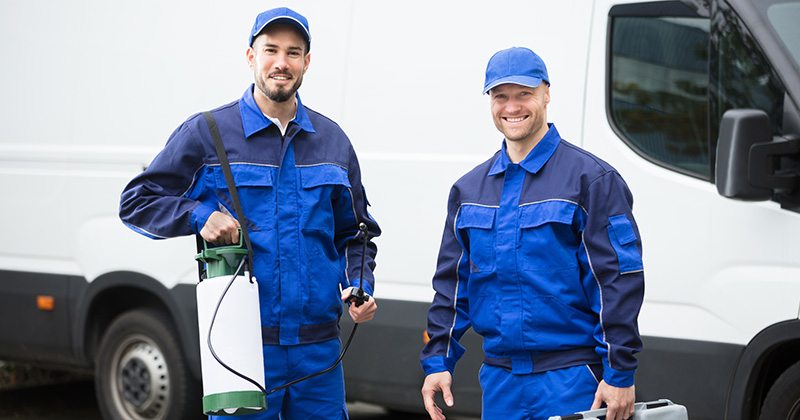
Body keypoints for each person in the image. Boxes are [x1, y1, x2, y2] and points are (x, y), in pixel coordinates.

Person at [119, 7, 379, 419]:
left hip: (319, 353)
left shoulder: (333, 142)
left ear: (306, 63)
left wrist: (359, 285)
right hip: (241, 348)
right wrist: (198, 216)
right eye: (270, 49)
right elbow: (137, 202)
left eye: (294, 52)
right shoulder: (208, 134)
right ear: (250, 56)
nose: (282, 62)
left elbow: (357, 234)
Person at [420, 47, 644, 420]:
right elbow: (451, 286)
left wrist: (620, 371)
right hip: (499, 382)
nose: (512, 106)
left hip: (573, 381)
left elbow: (616, 282)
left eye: (523, 93)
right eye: (500, 96)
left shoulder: (591, 181)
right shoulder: (468, 191)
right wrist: (437, 361)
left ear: (546, 93)